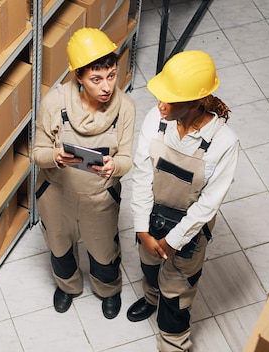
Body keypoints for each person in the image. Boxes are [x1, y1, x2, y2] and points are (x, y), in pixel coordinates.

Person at [126, 50, 239, 351]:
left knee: (177, 296)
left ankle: (174, 344)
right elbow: (141, 174)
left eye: (170, 99)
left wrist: (173, 241)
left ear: (194, 102)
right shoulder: (156, 118)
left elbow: (207, 205)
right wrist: (142, 229)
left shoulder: (223, 144)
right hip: (151, 219)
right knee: (149, 266)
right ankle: (151, 299)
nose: (161, 104)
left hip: (187, 233)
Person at [32, 28, 135, 319]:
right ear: (78, 76)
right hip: (57, 195)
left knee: (103, 253)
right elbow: (37, 154)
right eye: (96, 79)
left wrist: (115, 166)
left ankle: (108, 291)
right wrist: (55, 157)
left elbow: (126, 158)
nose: (107, 87)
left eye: (112, 75)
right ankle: (68, 287)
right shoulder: (54, 103)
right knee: (60, 247)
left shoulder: (125, 108)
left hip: (99, 198)